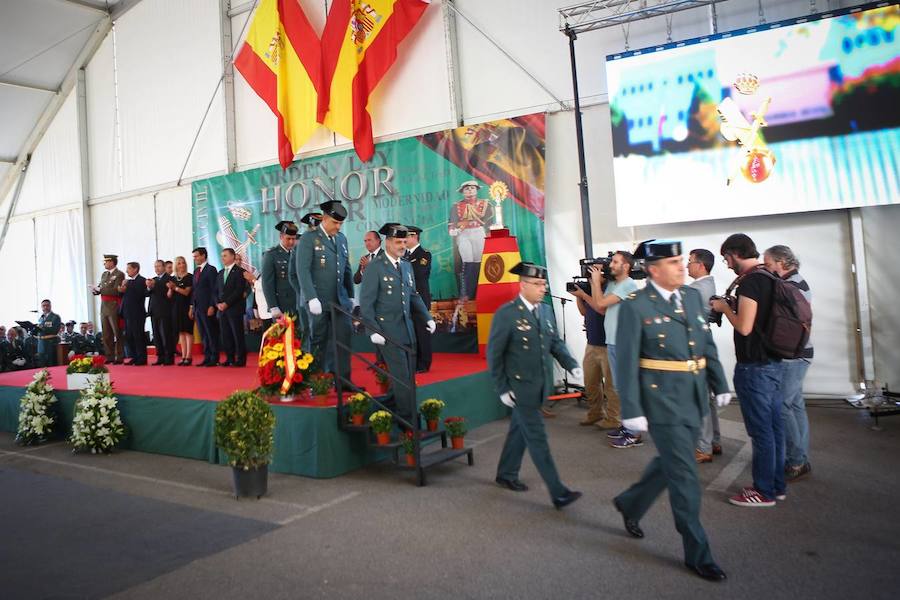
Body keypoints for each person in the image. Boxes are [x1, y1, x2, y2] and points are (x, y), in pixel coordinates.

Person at [612, 239, 730, 582]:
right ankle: (698, 553)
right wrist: (631, 409)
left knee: (673, 461)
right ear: (653, 269)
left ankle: (631, 503)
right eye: (674, 262)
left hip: (693, 395)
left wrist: (719, 381)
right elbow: (628, 361)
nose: (681, 267)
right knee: (685, 476)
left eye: (682, 260)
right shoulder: (636, 305)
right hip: (661, 400)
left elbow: (705, 342)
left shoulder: (693, 297)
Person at [488, 261, 584, 509]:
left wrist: (571, 363)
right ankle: (558, 492)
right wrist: (502, 387)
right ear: (523, 285)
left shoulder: (544, 311)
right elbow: (494, 355)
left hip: (540, 384)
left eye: (544, 284)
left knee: (519, 431)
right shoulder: (507, 314)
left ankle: (506, 473)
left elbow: (554, 343)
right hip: (521, 389)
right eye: (538, 284)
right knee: (537, 439)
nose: (543, 289)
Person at [712, 233, 785, 507]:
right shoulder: (769, 275)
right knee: (774, 428)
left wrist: (722, 307)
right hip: (774, 363)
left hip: (755, 367)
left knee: (761, 432)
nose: (727, 264)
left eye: (726, 258)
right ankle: (776, 485)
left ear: (734, 254)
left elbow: (744, 326)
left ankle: (763, 491)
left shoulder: (751, 282)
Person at [360, 224, 436, 427]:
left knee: (407, 378)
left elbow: (412, 295)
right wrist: (372, 330)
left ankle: (384, 413)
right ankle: (409, 426)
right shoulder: (375, 267)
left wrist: (426, 317)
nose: (402, 245)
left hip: (408, 331)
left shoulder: (405, 265)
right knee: (403, 379)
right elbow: (366, 303)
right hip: (388, 333)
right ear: (387, 242)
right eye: (398, 242)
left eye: (404, 242)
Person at [764, 244, 813, 482]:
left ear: (781, 262)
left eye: (768, 263)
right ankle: (800, 457)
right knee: (794, 405)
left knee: (782, 405)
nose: (766, 267)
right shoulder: (797, 282)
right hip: (801, 353)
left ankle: (796, 460)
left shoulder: (788, 286)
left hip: (793, 356)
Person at [295, 201, 355, 380]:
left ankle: (342, 380)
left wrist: (351, 295)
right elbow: (302, 270)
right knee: (318, 340)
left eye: (340, 224)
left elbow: (346, 268)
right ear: (325, 219)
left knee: (344, 339)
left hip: (339, 300)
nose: (338, 227)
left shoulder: (341, 238)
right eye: (335, 223)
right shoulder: (309, 238)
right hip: (318, 301)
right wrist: (311, 297)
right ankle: (316, 380)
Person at [590, 252, 640, 448]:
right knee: (620, 388)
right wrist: (594, 284)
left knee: (627, 389)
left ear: (626, 266)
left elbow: (601, 302)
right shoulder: (613, 285)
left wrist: (595, 281)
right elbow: (600, 308)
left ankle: (634, 433)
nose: (611, 264)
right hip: (612, 342)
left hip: (624, 343)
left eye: (615, 261)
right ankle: (628, 426)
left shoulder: (628, 285)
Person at [569, 278, 620, 430]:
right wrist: (579, 296)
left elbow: (601, 308)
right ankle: (595, 413)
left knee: (611, 386)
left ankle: (614, 418)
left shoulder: (611, 288)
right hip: (591, 344)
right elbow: (584, 311)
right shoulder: (591, 288)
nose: (591, 272)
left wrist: (584, 295)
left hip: (608, 344)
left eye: (595, 268)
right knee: (590, 382)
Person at [688, 248, 722, 463]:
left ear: (701, 265)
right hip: (705, 344)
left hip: (696, 348)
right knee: (707, 399)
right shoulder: (708, 285)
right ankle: (714, 441)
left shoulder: (696, 289)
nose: (686, 266)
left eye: (690, 261)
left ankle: (703, 447)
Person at [449, 180, 495, 301]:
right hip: (464, 234)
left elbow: (489, 222)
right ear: (463, 192)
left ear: (476, 190)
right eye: (467, 189)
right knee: (467, 261)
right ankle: (466, 293)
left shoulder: (485, 204)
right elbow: (452, 223)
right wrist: (455, 229)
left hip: (478, 232)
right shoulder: (456, 206)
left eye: (472, 188)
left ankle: (482, 291)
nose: (470, 190)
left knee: (479, 261)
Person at [405, 225, 433, 373]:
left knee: (422, 332)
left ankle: (424, 363)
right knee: (411, 332)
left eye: (407, 237)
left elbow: (419, 273)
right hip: (407, 299)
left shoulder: (424, 254)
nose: (404, 240)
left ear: (414, 237)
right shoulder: (404, 255)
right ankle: (414, 362)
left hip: (420, 299)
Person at [216, 248, 249, 367]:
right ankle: (229, 358)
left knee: (237, 334)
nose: (222, 258)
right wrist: (218, 303)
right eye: (222, 256)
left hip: (234, 308)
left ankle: (240, 359)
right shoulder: (220, 273)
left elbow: (239, 291)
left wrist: (226, 303)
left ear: (232, 257)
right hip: (222, 310)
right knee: (226, 335)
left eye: (225, 255)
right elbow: (216, 291)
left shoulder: (240, 272)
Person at [261, 221, 299, 321]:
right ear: (281, 237)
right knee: (285, 336)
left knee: (301, 335)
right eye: (288, 238)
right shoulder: (271, 255)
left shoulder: (297, 253)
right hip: (282, 305)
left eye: (293, 239)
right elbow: (267, 283)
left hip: (298, 303)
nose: (291, 242)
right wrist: (273, 306)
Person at [92, 254, 125, 364]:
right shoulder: (104, 274)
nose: (104, 263)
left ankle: (119, 356)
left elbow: (116, 290)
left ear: (112, 262)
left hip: (114, 305)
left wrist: (101, 290)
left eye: (106, 261)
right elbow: (102, 287)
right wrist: (96, 290)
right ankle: (109, 356)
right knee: (106, 334)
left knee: (117, 332)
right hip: (104, 306)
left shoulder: (119, 274)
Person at [191, 247, 220, 367]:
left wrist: (212, 306)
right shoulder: (196, 271)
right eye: (194, 257)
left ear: (203, 256)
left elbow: (214, 289)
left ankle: (214, 357)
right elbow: (195, 290)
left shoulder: (211, 269)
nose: (195, 259)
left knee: (210, 332)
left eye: (197, 256)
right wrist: (192, 306)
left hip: (207, 306)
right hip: (198, 307)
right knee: (203, 333)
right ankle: (207, 356)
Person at [118, 262, 148, 365]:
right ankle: (134, 356)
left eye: (129, 269)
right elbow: (123, 296)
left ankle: (141, 358)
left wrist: (127, 287)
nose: (127, 271)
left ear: (135, 269)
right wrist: (122, 289)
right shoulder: (128, 282)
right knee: (129, 336)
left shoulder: (142, 280)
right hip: (127, 313)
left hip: (137, 313)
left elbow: (140, 294)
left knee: (138, 336)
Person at [147, 259, 175, 366]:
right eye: (155, 267)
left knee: (166, 335)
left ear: (164, 267)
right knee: (157, 335)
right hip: (154, 311)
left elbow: (166, 292)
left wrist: (155, 284)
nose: (157, 269)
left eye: (158, 266)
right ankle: (160, 357)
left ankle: (169, 357)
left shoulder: (169, 278)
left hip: (165, 311)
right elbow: (147, 293)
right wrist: (149, 286)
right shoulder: (153, 280)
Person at [167, 256, 194, 366]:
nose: (181, 265)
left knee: (188, 331)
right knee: (181, 332)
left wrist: (175, 288)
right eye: (179, 263)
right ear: (175, 265)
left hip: (186, 307)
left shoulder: (189, 277)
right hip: (175, 307)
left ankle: (189, 356)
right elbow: (169, 295)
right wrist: (170, 288)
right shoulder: (173, 279)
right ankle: (183, 355)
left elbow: (187, 292)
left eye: (183, 263)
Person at [35, 299, 62, 367]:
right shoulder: (41, 318)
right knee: (42, 366)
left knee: (51, 366)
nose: (45, 307)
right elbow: (39, 331)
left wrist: (42, 328)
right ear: (41, 307)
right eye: (43, 306)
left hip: (50, 344)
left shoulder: (55, 317)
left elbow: (54, 330)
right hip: (41, 344)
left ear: (50, 306)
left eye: (47, 305)